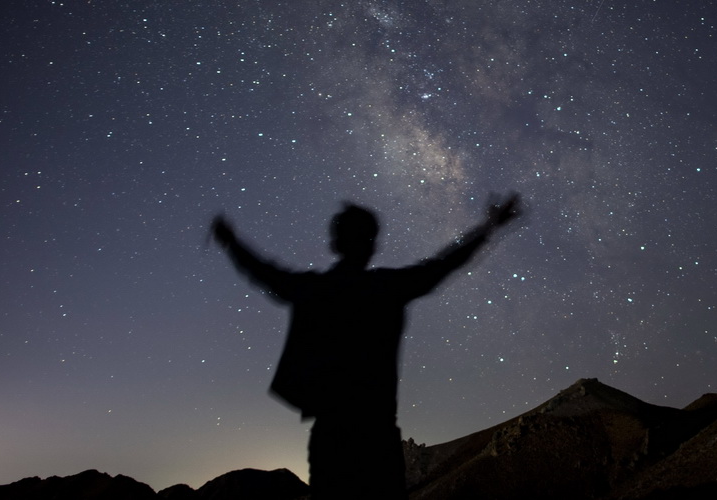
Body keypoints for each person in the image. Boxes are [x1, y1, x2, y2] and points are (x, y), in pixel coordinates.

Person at [210, 193, 522, 500]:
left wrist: (231, 242)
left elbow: (266, 273)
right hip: (377, 438)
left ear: (335, 243)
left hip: (331, 438)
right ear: (372, 244)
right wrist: (489, 227)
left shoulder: (315, 290)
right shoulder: (386, 288)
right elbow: (443, 265)